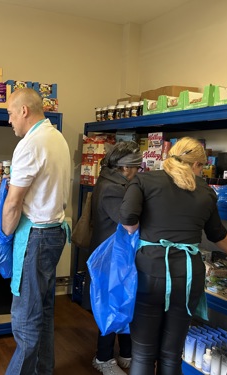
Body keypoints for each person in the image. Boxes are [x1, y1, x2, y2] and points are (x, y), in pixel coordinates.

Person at [119, 137, 227, 375]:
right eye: (201, 166)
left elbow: (128, 217)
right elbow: (217, 234)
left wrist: (134, 230)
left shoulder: (144, 180)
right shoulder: (205, 191)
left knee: (142, 353)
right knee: (171, 355)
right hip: (188, 276)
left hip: (149, 272)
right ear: (195, 164)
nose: (201, 171)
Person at [2, 88, 71, 375]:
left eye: (10, 113)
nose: (9, 121)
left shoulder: (30, 144)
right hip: (54, 231)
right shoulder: (57, 138)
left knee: (26, 319)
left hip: (37, 236)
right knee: (43, 311)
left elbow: (14, 202)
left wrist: (4, 236)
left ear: (24, 111)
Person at [82, 141, 142, 375]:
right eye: (136, 168)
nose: (138, 173)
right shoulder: (113, 189)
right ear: (126, 168)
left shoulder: (110, 182)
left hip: (118, 255)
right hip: (110, 256)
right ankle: (103, 357)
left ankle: (126, 352)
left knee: (126, 302)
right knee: (111, 305)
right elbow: (129, 223)